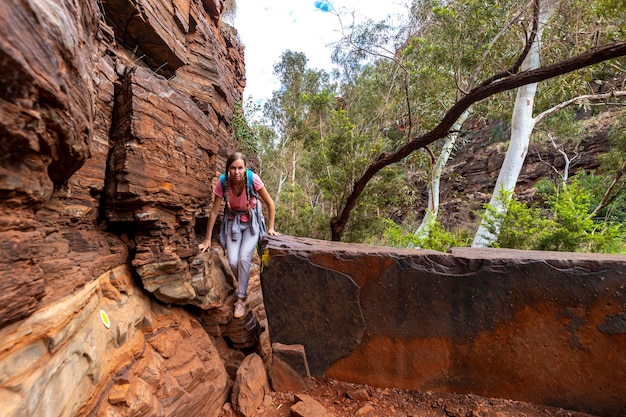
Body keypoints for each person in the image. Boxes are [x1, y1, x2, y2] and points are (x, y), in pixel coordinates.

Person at [199, 152, 279, 318]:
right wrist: (207, 239)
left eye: (240, 168)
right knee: (234, 261)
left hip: (251, 223)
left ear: (245, 169)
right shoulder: (223, 182)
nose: (237, 172)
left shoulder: (253, 179)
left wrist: (270, 228)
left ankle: (241, 299)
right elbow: (214, 212)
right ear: (228, 169)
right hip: (233, 222)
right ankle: (243, 286)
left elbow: (270, 204)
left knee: (244, 259)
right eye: (233, 168)